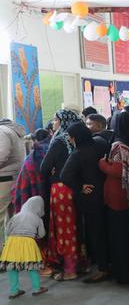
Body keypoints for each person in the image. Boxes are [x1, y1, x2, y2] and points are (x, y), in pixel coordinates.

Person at [98, 111, 129, 284]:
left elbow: (119, 171)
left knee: (119, 237)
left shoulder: (119, 145)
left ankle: (124, 274)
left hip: (118, 195)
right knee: (128, 236)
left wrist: (102, 164)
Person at [60, 122, 110, 283]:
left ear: (75, 137)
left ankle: (102, 269)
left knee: (96, 234)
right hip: (108, 194)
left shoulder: (78, 153)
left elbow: (64, 176)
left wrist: (80, 187)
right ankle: (109, 264)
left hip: (91, 199)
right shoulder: (100, 143)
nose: (69, 139)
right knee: (108, 231)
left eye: (70, 136)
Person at [40, 109, 81, 280]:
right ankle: (80, 263)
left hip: (61, 189)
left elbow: (44, 168)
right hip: (77, 187)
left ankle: (70, 269)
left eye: (56, 119)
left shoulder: (59, 141)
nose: (53, 123)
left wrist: (54, 172)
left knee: (64, 228)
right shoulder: (77, 139)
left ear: (63, 122)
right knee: (76, 226)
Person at [0, 196, 48, 299]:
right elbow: (42, 234)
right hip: (28, 242)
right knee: (32, 267)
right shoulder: (37, 218)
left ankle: (14, 291)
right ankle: (37, 289)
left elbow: (7, 231)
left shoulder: (16, 216)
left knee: (12, 268)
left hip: (12, 242)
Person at [0, 118, 26, 249]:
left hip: (4, 178)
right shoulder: (13, 131)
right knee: (11, 216)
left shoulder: (2, 131)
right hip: (14, 176)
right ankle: (12, 249)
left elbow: (1, 154)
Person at [12, 129, 49, 213]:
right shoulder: (54, 149)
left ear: (35, 140)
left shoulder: (31, 158)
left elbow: (22, 181)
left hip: (34, 195)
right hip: (51, 192)